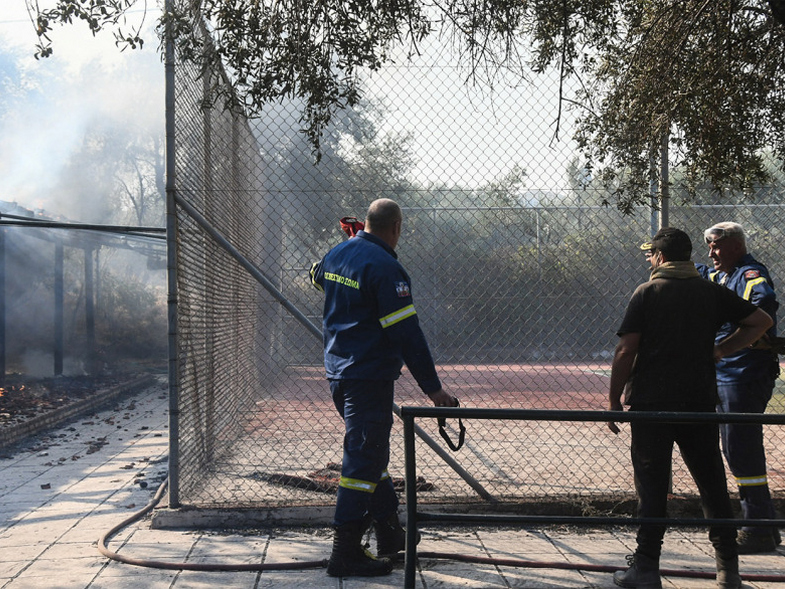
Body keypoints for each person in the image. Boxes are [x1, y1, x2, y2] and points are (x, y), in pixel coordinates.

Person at [608, 227, 773, 589]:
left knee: (651, 487)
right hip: (699, 401)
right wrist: (721, 350)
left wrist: (613, 398)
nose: (649, 261)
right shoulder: (709, 291)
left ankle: (647, 568)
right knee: (711, 482)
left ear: (661, 257)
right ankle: (728, 570)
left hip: (652, 403)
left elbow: (626, 350)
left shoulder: (647, 292)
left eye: (651, 255)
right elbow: (761, 321)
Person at [310, 198, 458, 578]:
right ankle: (344, 554)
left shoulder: (338, 253)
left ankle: (391, 535)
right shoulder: (387, 269)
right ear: (396, 228)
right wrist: (434, 389)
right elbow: (407, 333)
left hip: (339, 374)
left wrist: (350, 243)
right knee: (362, 460)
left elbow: (317, 276)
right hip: (368, 378)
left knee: (370, 456)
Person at [697, 222, 781, 553]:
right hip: (729, 374)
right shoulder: (722, 275)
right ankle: (765, 527)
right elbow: (700, 271)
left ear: (735, 245)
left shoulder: (750, 276)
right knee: (736, 449)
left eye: (716, 245)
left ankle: (758, 528)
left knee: (741, 450)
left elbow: (764, 312)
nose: (711, 252)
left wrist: (721, 350)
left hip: (743, 375)